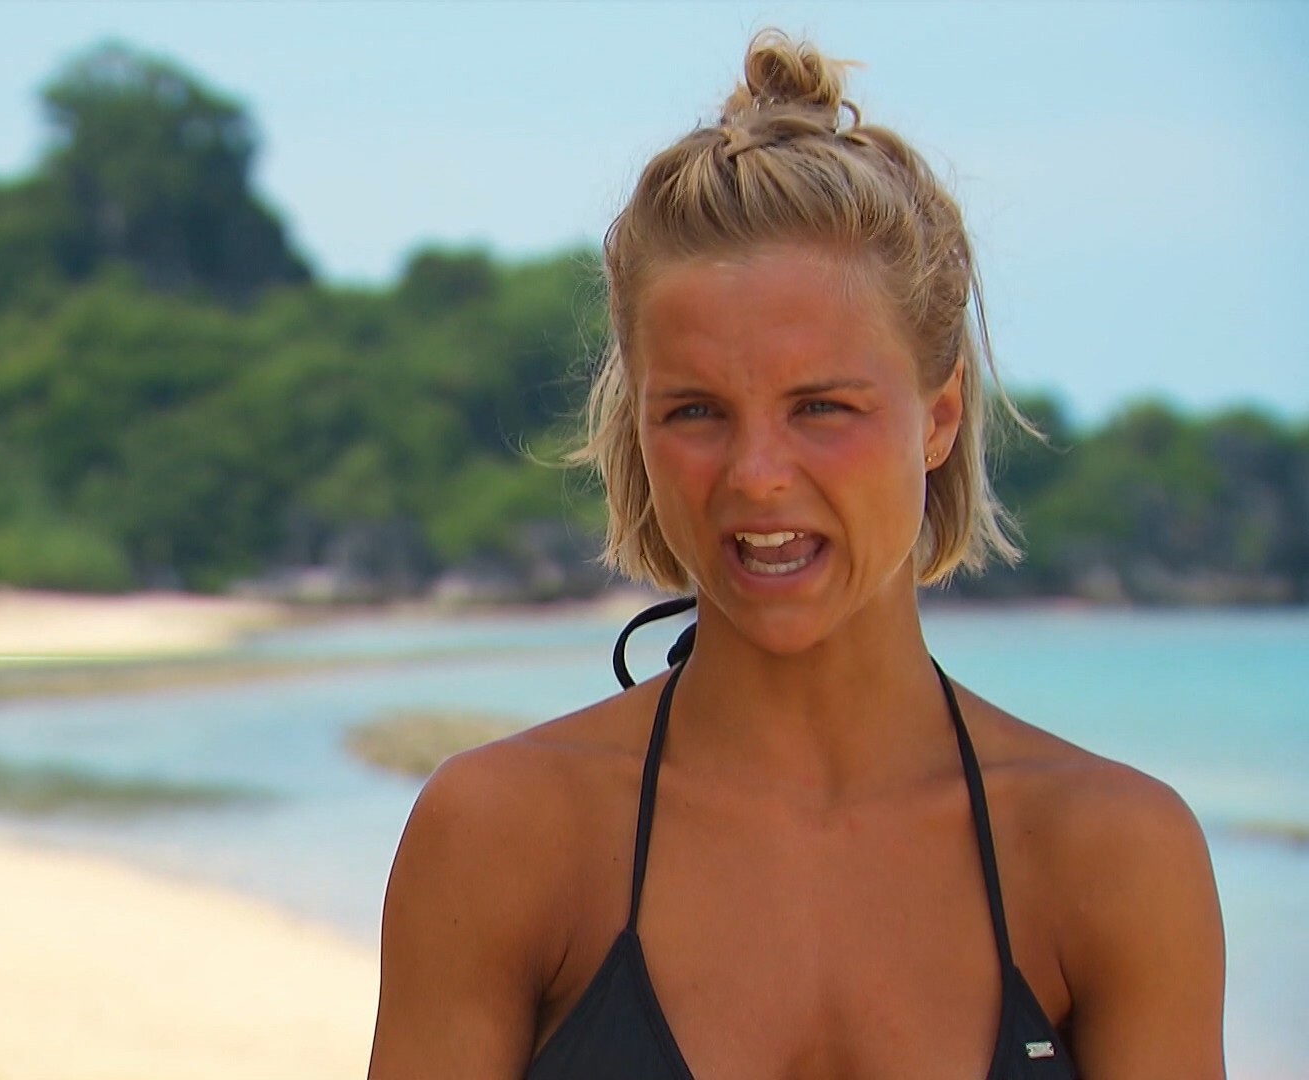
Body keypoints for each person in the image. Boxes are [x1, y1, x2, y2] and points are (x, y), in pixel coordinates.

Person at [366, 27, 1226, 1080]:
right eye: (696, 411)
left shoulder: (1114, 857)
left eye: (821, 407)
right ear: (638, 427)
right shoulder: (503, 839)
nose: (758, 475)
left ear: (940, 415)